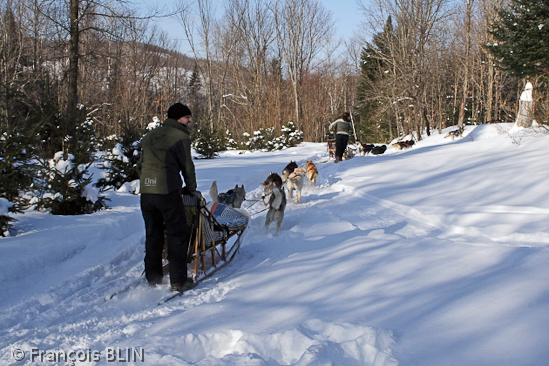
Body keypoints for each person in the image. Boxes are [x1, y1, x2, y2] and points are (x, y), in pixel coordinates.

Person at [139, 102, 199, 292]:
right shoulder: (180, 136)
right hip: (167, 192)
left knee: (153, 234)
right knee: (177, 234)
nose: (190, 120)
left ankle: (153, 277)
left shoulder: (149, 136)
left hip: (147, 193)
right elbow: (187, 166)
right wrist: (191, 189)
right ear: (177, 118)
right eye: (187, 117)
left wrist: (146, 181)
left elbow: (140, 164)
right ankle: (178, 281)